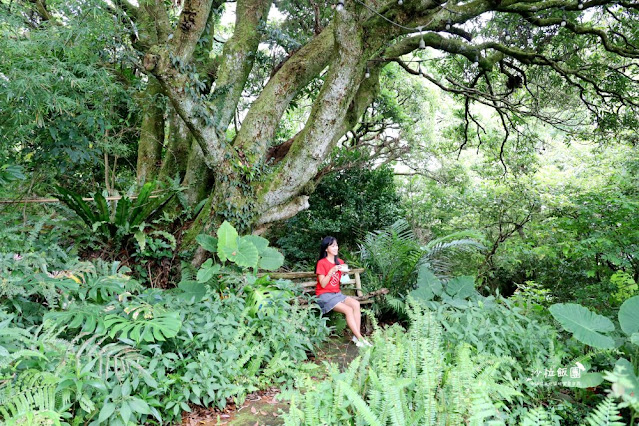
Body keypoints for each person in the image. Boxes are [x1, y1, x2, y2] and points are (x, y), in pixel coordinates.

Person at [315, 236, 372, 347]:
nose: (336, 248)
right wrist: (331, 271)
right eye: (332, 246)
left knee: (356, 304)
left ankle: (356, 337)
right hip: (324, 295)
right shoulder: (322, 263)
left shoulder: (340, 262)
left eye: (336, 245)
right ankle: (360, 338)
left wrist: (344, 274)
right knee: (348, 310)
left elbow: (340, 281)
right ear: (326, 249)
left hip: (337, 294)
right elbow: (323, 284)